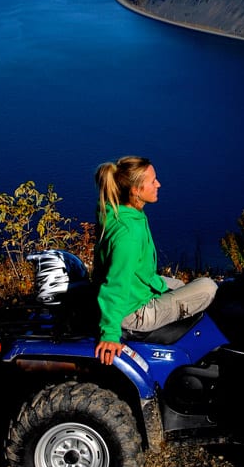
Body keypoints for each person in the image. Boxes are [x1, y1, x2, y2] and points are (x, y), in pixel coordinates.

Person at [93, 156, 217, 365]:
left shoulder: (119, 212)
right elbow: (115, 284)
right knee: (208, 287)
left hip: (137, 291)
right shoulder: (128, 234)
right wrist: (110, 334)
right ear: (135, 190)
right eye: (152, 181)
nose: (158, 184)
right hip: (134, 313)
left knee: (179, 285)